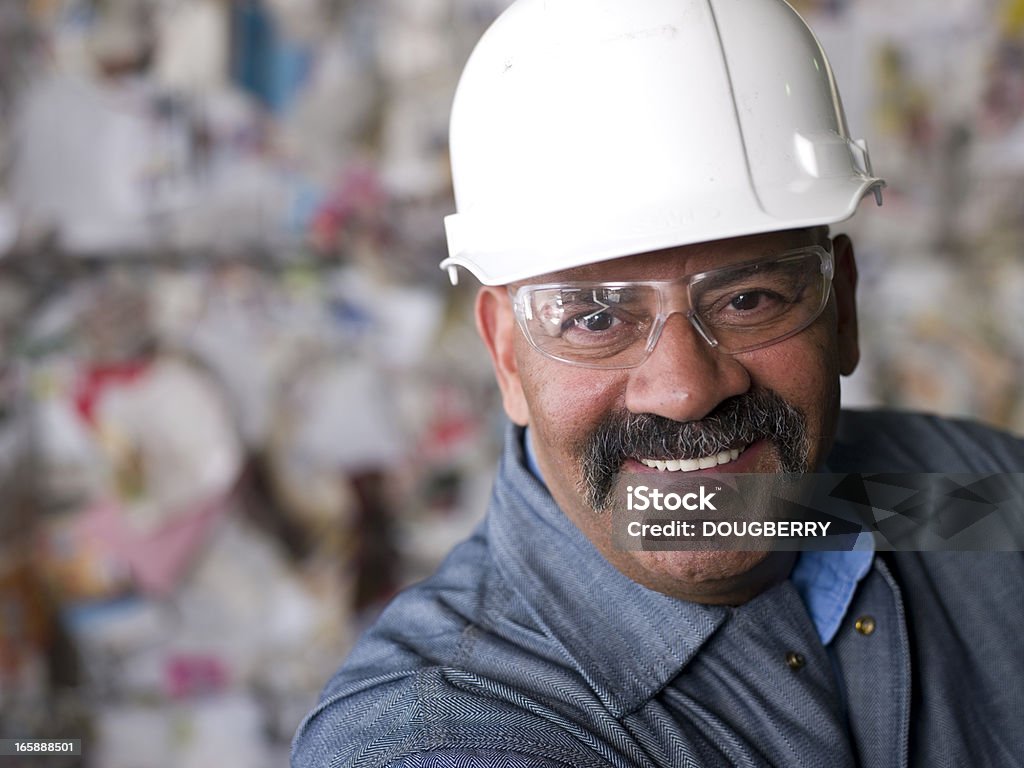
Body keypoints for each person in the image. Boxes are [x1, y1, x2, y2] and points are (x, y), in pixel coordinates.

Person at [292, 1, 1024, 765]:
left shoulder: (971, 495)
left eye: (748, 300)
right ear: (507, 356)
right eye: (595, 319)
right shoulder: (433, 736)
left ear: (841, 307)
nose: (684, 390)